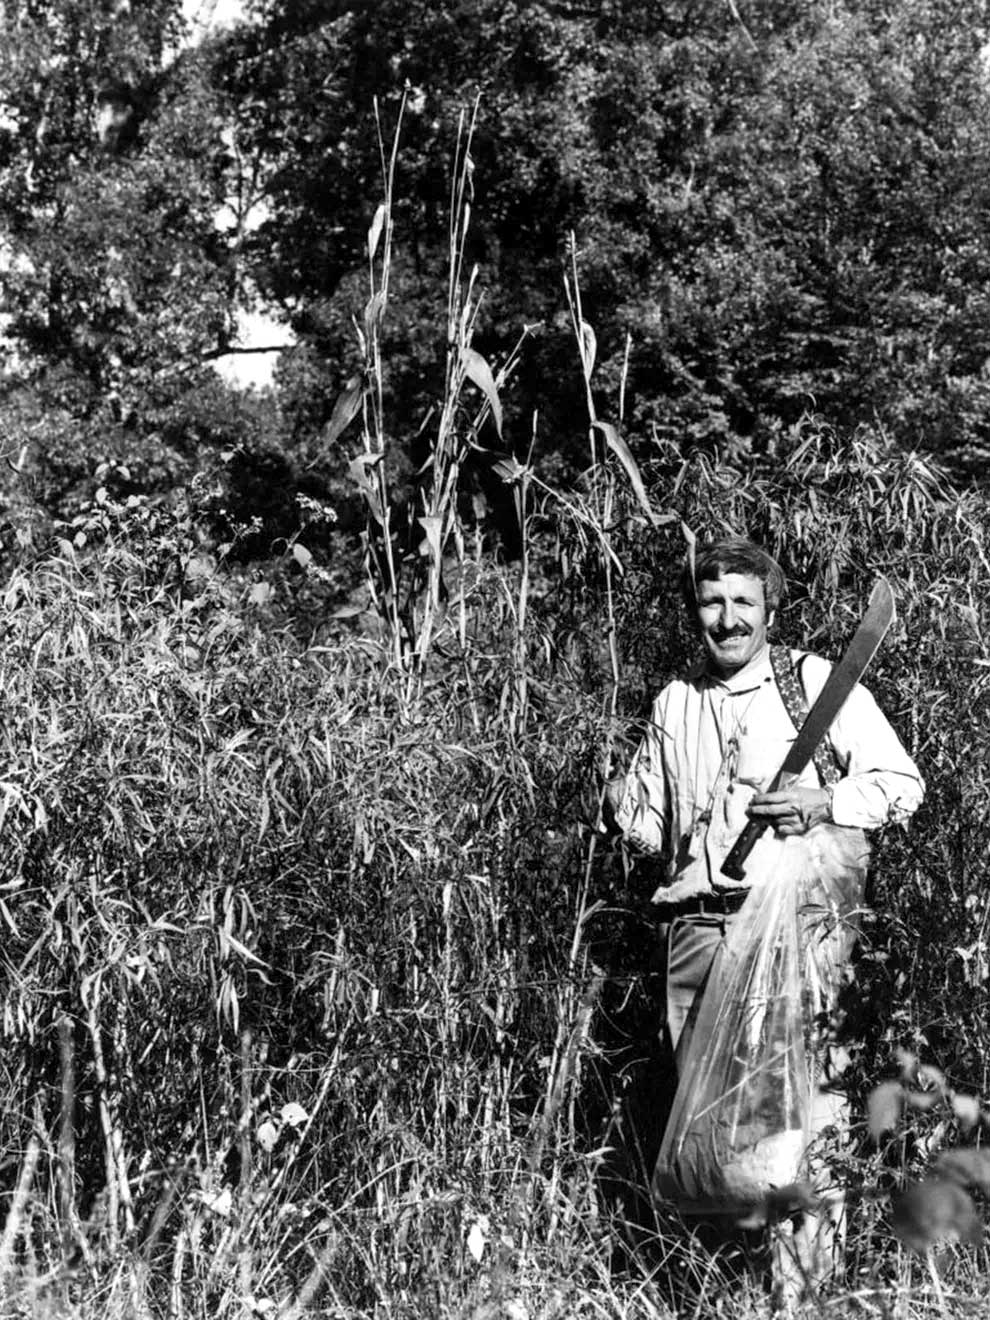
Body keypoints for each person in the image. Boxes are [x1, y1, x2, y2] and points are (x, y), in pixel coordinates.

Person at [605, 536, 924, 1305]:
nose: (728, 618)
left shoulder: (811, 683)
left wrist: (823, 802)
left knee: (796, 1119)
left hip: (787, 936)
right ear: (695, 612)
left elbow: (900, 784)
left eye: (743, 602)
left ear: (770, 609)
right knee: (712, 1131)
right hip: (693, 935)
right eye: (713, 601)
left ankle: (801, 1299)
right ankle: (730, 1295)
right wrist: (618, 804)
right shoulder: (673, 702)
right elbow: (650, 827)